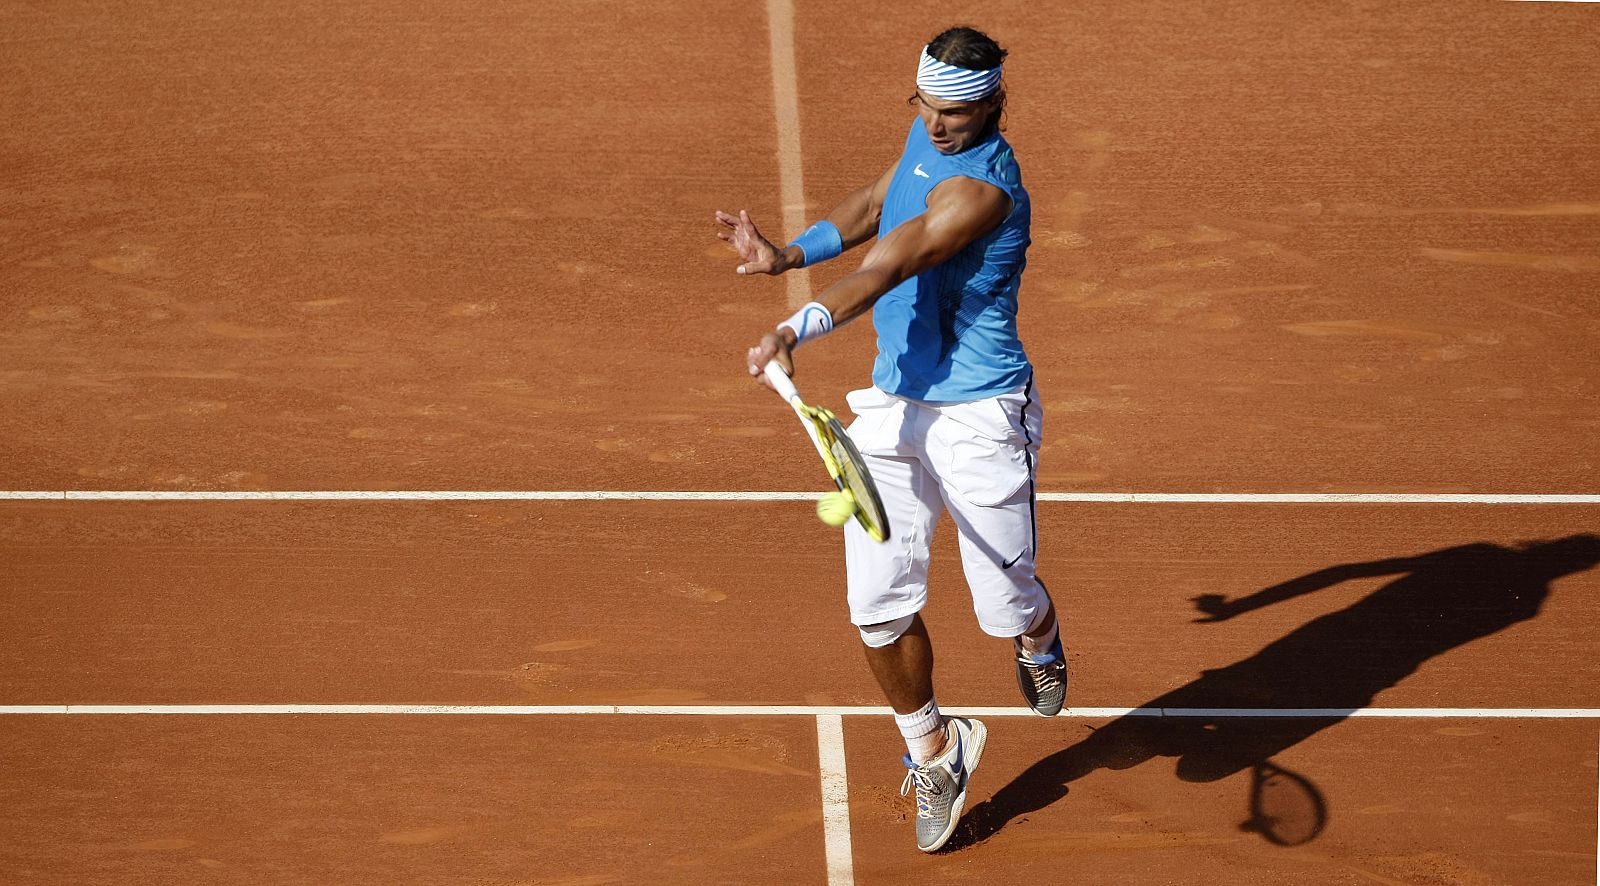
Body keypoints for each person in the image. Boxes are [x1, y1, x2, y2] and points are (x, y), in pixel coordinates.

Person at [718, 26, 1063, 854]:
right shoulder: (928, 135)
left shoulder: (983, 192)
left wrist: (798, 324)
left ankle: (1039, 633)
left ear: (994, 105)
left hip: (980, 415)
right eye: (928, 109)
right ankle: (936, 753)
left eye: (957, 114)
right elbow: (879, 207)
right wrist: (786, 255)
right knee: (876, 606)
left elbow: (893, 260)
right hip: (895, 405)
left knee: (1001, 602)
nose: (938, 127)